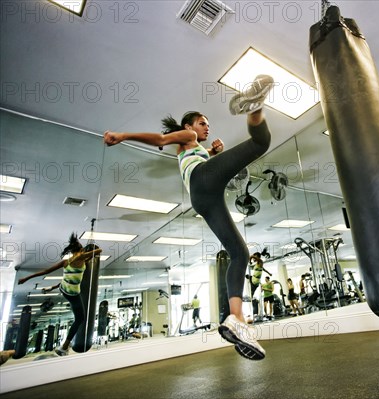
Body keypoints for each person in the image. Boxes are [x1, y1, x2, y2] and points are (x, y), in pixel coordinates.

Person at [103, 74, 274, 360]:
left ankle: (237, 319)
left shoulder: (194, 147)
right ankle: (255, 106)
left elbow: (194, 159)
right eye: (202, 123)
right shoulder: (189, 137)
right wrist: (123, 136)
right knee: (261, 142)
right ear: (189, 126)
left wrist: (211, 153)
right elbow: (159, 139)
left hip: (204, 198)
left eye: (207, 124)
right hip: (204, 183)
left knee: (240, 254)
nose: (206, 127)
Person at [18, 233, 102, 356]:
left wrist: (27, 278)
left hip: (63, 288)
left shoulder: (66, 261)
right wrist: (86, 253)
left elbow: (46, 271)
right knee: (80, 319)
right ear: (80, 250)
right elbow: (100, 250)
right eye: (82, 248)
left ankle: (53, 287)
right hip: (72, 293)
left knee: (68, 278)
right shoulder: (81, 257)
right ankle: (64, 346)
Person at [248, 252, 272, 317]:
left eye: (255, 257)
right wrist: (269, 273)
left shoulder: (260, 261)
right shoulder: (258, 264)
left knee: (251, 294)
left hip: (255, 281)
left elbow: (251, 256)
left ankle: (251, 308)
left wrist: (250, 260)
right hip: (253, 279)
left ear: (257, 257)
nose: (254, 259)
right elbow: (263, 269)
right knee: (247, 277)